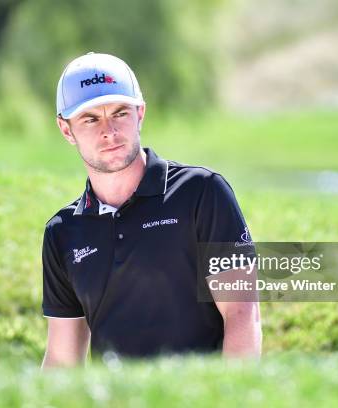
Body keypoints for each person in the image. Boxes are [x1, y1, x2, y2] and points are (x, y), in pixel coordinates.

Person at [41, 52, 261, 369]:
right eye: (90, 119)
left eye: (120, 113)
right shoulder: (62, 233)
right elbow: (62, 359)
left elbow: (243, 317)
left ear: (140, 113)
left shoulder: (202, 192)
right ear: (66, 129)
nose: (109, 130)